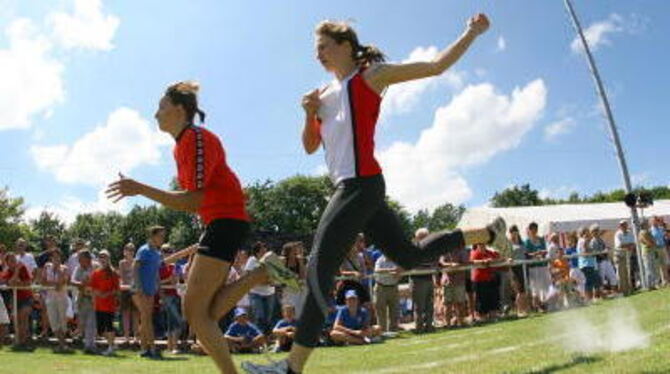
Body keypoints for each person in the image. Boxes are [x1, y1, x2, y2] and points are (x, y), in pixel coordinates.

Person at [242, 14, 513, 373]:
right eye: (315, 49)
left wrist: (471, 33)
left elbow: (435, 66)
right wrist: (308, 114)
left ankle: (291, 368)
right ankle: (489, 233)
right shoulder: (322, 97)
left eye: (323, 46)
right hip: (351, 189)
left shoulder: (371, 77)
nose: (317, 55)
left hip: (362, 184)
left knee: (318, 266)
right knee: (410, 256)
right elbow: (310, 146)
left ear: (345, 45)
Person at [106, 80, 298, 373]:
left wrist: (140, 188)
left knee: (196, 315)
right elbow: (204, 193)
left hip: (224, 222)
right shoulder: (183, 145)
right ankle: (262, 271)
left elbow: (193, 200)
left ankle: (261, 273)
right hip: (222, 221)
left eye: (161, 107)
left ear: (180, 110)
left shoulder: (195, 138)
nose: (156, 114)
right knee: (205, 314)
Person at [133, 226, 165, 359]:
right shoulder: (143, 250)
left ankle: (143, 348)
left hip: (151, 291)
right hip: (140, 290)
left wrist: (160, 290)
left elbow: (156, 273)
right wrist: (139, 288)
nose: (163, 239)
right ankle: (152, 349)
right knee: (147, 319)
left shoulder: (157, 253)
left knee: (145, 319)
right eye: (161, 236)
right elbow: (135, 268)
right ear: (153, 236)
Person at [89, 250, 120, 356]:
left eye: (105, 257)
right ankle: (112, 343)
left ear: (108, 259)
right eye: (101, 257)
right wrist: (97, 295)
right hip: (98, 305)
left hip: (109, 305)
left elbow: (117, 289)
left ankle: (111, 347)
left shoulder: (113, 273)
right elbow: (92, 288)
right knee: (100, 330)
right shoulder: (95, 273)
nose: (103, 259)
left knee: (109, 326)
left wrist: (107, 294)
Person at [1, 252, 33, 349]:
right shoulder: (7, 272)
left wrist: (17, 283)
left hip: (26, 298)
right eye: (11, 260)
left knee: (24, 318)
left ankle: (23, 342)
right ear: (7, 262)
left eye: (15, 259)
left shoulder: (23, 268)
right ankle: (19, 342)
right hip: (15, 299)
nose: (14, 262)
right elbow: (10, 283)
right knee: (17, 321)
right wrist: (17, 272)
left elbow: (28, 283)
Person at [42, 251, 71, 353]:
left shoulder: (64, 269)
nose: (56, 260)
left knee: (62, 321)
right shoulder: (47, 267)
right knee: (53, 321)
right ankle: (63, 344)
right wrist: (54, 283)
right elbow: (43, 281)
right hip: (50, 298)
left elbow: (61, 284)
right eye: (54, 257)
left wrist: (55, 280)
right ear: (51, 258)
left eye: (58, 258)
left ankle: (62, 344)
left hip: (62, 298)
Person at [245, 242, 277, 334]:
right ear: (257, 252)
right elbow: (249, 276)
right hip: (255, 293)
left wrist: (266, 281)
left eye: (265, 248)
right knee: (259, 316)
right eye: (263, 248)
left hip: (270, 293)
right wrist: (266, 281)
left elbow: (275, 275)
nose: (265, 250)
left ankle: (266, 338)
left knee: (268, 318)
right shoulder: (252, 260)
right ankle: (258, 337)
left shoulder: (270, 260)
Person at [70, 250, 97, 354]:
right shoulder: (78, 267)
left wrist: (90, 282)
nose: (79, 260)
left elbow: (100, 280)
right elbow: (72, 281)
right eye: (79, 259)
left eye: (81, 258)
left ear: (87, 258)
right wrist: (81, 283)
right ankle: (88, 345)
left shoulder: (96, 267)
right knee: (83, 323)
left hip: (94, 299)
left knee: (91, 323)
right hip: (82, 298)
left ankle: (90, 346)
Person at [470, 244, 503, 322]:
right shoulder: (475, 252)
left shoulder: (489, 252)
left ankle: (493, 316)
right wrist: (483, 261)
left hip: (490, 279)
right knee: (481, 300)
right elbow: (472, 261)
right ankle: (481, 317)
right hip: (479, 280)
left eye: (483, 244)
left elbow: (498, 258)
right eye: (480, 244)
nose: (482, 246)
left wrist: (492, 260)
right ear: (477, 245)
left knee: (493, 298)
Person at [439, 246, 469, 327]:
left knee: (460, 303)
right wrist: (451, 264)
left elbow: (466, 262)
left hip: (459, 280)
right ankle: (447, 324)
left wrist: (458, 265)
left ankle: (461, 322)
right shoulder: (445, 250)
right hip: (447, 281)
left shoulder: (462, 250)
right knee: (447, 304)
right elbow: (441, 262)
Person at [524, 222, 550, 311]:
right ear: (530, 230)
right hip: (533, 267)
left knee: (545, 286)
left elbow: (545, 250)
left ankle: (545, 304)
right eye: (532, 229)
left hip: (543, 266)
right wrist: (535, 254)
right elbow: (526, 254)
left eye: (536, 228)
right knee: (536, 288)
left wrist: (543, 253)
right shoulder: (527, 241)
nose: (534, 230)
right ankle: (537, 307)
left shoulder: (541, 239)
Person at [373, 252, 400, 334]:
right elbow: (377, 270)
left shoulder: (396, 260)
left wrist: (398, 274)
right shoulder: (380, 260)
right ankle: (382, 332)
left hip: (393, 287)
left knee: (394, 311)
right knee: (381, 312)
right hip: (381, 288)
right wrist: (390, 270)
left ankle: (393, 331)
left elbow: (400, 270)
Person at [118, 242, 139, 346]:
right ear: (124, 251)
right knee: (125, 314)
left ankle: (136, 337)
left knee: (136, 314)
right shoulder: (121, 263)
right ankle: (126, 337)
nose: (129, 252)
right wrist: (124, 286)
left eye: (131, 250)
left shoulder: (137, 262)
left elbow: (137, 276)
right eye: (128, 249)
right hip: (125, 290)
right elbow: (121, 277)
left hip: (135, 290)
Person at [508, 225, 529, 317]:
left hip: (523, 267)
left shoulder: (522, 242)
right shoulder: (509, 244)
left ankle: (524, 310)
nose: (514, 233)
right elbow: (506, 255)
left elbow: (526, 254)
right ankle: (519, 311)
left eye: (515, 231)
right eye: (512, 231)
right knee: (519, 291)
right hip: (515, 268)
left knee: (524, 290)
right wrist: (508, 259)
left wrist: (535, 255)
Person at [577, 227, 601, 301]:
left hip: (588, 264)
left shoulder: (582, 240)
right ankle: (589, 298)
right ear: (583, 233)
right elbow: (586, 251)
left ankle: (592, 297)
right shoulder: (583, 240)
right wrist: (592, 252)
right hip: (586, 264)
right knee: (591, 281)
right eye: (587, 232)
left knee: (593, 281)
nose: (589, 233)